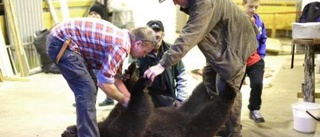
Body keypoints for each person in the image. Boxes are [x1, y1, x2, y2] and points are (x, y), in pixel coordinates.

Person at [144, 0, 259, 136]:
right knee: (209, 79)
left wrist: (162, 64)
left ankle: (232, 130)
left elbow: (189, 35)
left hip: (236, 43)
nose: (175, 3)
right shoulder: (196, 4)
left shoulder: (204, 3)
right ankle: (221, 120)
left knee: (227, 89)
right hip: (221, 42)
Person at [47, 18, 156, 137]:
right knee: (87, 89)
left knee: (90, 86)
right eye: (144, 51)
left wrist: (129, 98)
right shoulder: (121, 47)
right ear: (138, 43)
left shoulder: (123, 39)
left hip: (68, 42)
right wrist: (124, 100)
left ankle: (86, 130)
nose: (144, 55)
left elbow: (114, 78)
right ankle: (87, 134)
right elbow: (104, 82)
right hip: (61, 43)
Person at [136, 20, 189, 107]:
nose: (156, 36)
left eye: (158, 32)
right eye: (152, 33)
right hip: (146, 97)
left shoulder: (172, 51)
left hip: (167, 97)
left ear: (163, 34)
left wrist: (181, 99)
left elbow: (181, 74)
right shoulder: (139, 51)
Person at [242, 0, 267, 123]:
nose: (253, 10)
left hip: (255, 60)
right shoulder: (237, 20)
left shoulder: (260, 22)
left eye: (256, 7)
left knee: (257, 84)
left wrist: (261, 55)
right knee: (232, 89)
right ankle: (230, 116)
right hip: (239, 61)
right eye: (250, 7)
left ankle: (254, 109)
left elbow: (263, 39)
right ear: (243, 5)